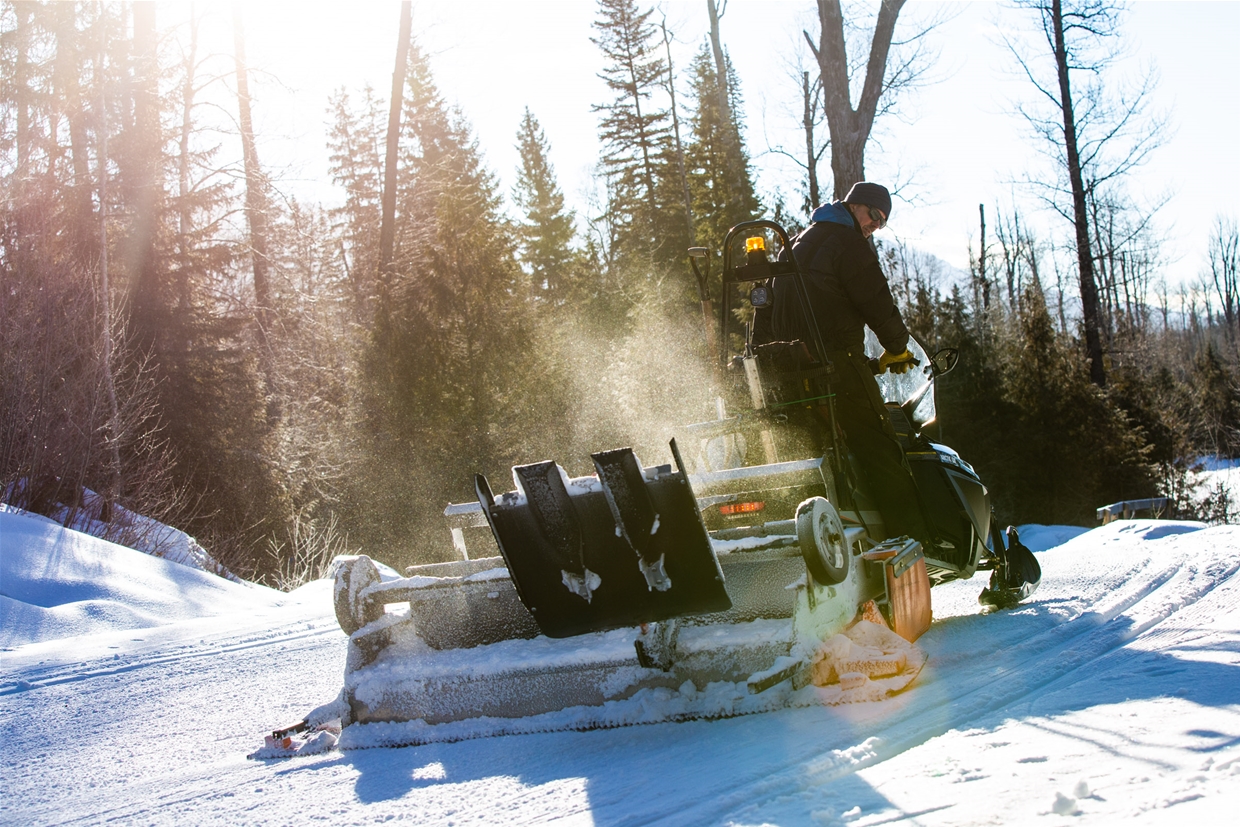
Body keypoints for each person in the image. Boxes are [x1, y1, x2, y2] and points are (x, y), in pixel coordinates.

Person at [768, 181, 930, 544]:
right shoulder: (848, 243)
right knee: (880, 447)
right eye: (873, 215)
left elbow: (768, 309)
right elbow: (875, 299)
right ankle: (909, 547)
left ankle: (822, 541)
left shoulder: (796, 244)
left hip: (791, 370)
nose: (874, 226)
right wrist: (898, 346)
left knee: (812, 453)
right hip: (836, 366)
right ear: (854, 205)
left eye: (882, 222)